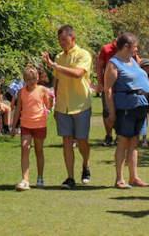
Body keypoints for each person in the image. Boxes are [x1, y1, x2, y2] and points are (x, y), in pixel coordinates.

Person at [42, 25, 93, 188]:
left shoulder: (83, 54)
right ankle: (70, 177)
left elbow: (78, 74)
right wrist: (55, 104)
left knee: (82, 140)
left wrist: (55, 66)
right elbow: (56, 81)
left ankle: (85, 164)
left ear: (73, 38)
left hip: (80, 104)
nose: (61, 43)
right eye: (59, 40)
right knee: (66, 140)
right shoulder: (58, 57)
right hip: (63, 106)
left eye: (64, 39)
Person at [103, 32, 149, 189]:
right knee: (123, 141)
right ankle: (119, 179)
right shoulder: (113, 64)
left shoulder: (132, 60)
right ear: (126, 47)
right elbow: (108, 90)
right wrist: (112, 112)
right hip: (125, 108)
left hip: (140, 106)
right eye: (135, 47)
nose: (136, 50)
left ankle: (134, 177)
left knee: (134, 142)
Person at [11, 66, 53, 191]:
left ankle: (40, 178)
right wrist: (13, 127)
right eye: (29, 79)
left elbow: (48, 106)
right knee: (25, 148)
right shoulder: (21, 92)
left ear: (38, 78)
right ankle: (25, 180)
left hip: (40, 124)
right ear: (24, 80)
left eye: (34, 78)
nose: (32, 81)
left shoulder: (42, 90)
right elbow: (18, 109)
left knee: (39, 151)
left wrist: (50, 101)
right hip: (25, 125)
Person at [96, 38, 118, 146]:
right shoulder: (106, 49)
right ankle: (108, 136)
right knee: (106, 111)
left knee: (120, 111)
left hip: (121, 87)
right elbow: (99, 66)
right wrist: (100, 83)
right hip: (107, 86)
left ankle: (119, 136)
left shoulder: (127, 48)